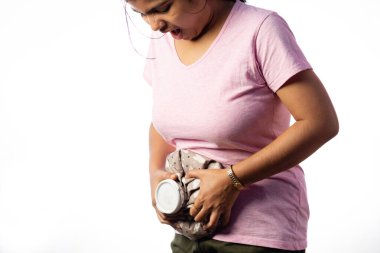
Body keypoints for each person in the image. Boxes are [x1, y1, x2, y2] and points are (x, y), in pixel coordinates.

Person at [125, 0, 339, 252]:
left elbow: (320, 122)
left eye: (162, 8)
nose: (154, 24)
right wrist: (156, 176)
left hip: (259, 234)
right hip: (188, 231)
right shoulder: (164, 37)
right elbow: (165, 119)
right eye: (142, 14)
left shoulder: (261, 29)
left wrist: (233, 180)